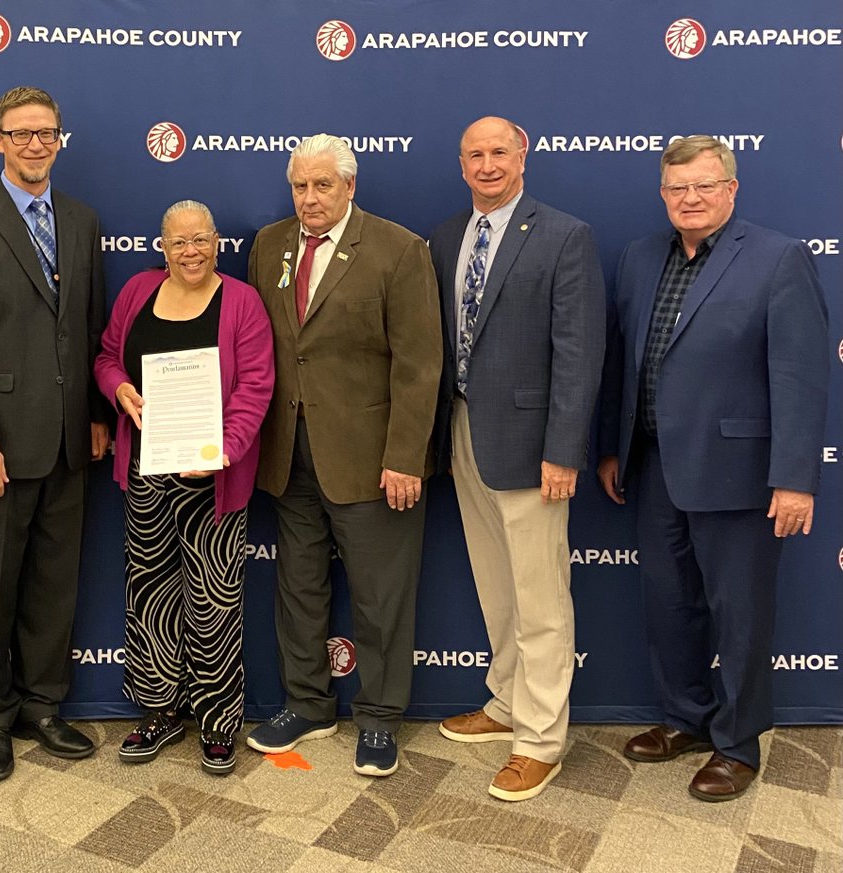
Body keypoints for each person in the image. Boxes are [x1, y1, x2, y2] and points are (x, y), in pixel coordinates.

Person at [597, 136, 828, 802]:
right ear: (662, 193)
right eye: (677, 188)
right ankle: (685, 720)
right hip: (656, 467)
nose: (690, 199)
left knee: (740, 614)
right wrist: (614, 446)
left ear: (731, 188)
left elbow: (800, 376)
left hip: (741, 474)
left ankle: (737, 743)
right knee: (669, 606)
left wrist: (794, 477)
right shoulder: (641, 258)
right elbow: (626, 361)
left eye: (704, 186)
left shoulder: (779, 258)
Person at [0, 86, 111, 781]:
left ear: (60, 138)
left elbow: (90, 327)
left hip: (69, 441)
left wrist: (96, 415)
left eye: (47, 132)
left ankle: (42, 705)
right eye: (21, 133)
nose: (36, 144)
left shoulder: (82, 219)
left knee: (54, 584)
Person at [244, 134, 442, 777]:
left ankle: (380, 716)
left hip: (372, 457)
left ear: (349, 187)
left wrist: (406, 455)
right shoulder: (268, 245)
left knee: (381, 593)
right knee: (298, 585)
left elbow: (419, 365)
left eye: (322, 185)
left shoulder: (398, 249)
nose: (309, 198)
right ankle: (308, 702)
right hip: (287, 454)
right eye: (300, 185)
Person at [429, 116, 605, 801]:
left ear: (524, 154)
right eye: (474, 152)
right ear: (462, 162)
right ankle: (505, 702)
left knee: (540, 596)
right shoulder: (448, 237)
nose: (487, 163)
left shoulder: (564, 235)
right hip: (467, 431)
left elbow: (579, 354)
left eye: (499, 151)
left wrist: (564, 451)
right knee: (496, 584)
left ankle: (540, 739)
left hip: (535, 448)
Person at [94, 201, 273, 776]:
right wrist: (119, 389)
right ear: (162, 246)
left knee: (214, 602)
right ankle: (160, 710)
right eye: (179, 242)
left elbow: (255, 387)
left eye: (201, 240)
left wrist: (225, 450)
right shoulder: (138, 291)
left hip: (214, 478)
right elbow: (105, 358)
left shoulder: (241, 302)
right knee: (150, 596)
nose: (190, 251)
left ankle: (219, 721)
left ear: (217, 242)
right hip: (147, 472)